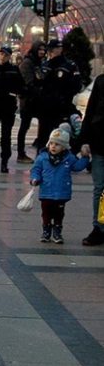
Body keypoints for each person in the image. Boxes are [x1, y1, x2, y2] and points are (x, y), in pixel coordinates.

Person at [30, 124, 90, 244]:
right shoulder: (42, 157)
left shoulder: (69, 158)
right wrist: (35, 179)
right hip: (46, 192)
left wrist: (85, 158)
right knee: (46, 213)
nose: (53, 146)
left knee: (59, 214)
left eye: (57, 144)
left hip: (61, 192)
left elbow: (77, 167)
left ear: (64, 147)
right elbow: (35, 170)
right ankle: (46, 230)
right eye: (51, 143)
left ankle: (57, 231)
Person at [36, 39, 82, 153]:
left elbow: (77, 85)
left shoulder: (69, 65)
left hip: (62, 108)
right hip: (45, 108)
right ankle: (42, 160)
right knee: (44, 136)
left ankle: (62, 160)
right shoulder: (45, 65)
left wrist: (64, 95)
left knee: (60, 136)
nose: (54, 52)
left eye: (57, 49)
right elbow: (38, 84)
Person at [79, 73, 104, 246]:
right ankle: (99, 227)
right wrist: (84, 140)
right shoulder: (101, 81)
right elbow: (90, 110)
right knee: (100, 188)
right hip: (100, 142)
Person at [16, 41, 45, 163]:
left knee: (43, 125)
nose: (42, 52)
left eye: (44, 50)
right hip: (28, 100)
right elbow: (28, 82)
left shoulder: (39, 63)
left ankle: (41, 151)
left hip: (38, 100)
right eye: (40, 49)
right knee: (24, 126)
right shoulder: (28, 63)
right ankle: (21, 154)